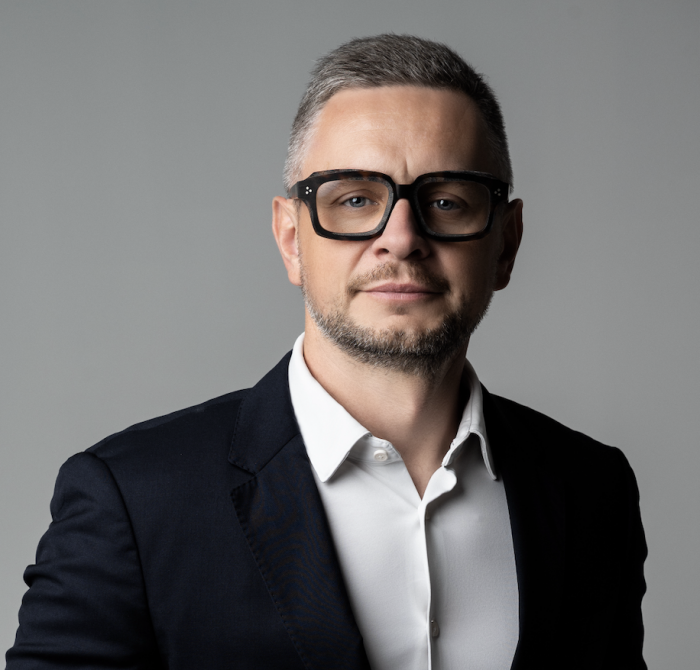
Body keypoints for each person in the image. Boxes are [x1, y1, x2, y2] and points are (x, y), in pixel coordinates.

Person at [6, 34, 647, 670]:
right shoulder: (134, 498)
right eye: (355, 200)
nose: (401, 238)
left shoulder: (594, 490)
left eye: (446, 201)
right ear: (292, 239)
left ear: (506, 243)